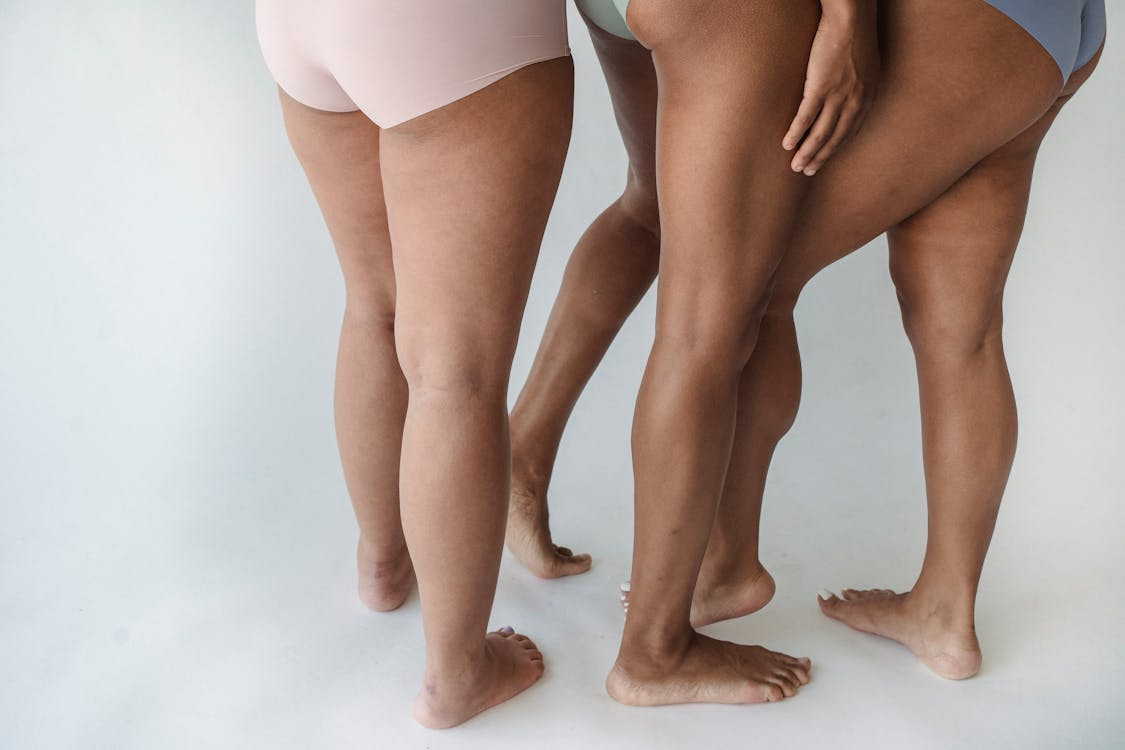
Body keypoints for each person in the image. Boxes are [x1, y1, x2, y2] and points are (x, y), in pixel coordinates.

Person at [507, 0, 1106, 697]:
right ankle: (943, 616)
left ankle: (720, 572)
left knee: (748, 283)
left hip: (974, 17)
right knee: (959, 329)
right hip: (1052, 28)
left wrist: (847, 18)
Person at [256, 0, 573, 729]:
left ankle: (383, 564)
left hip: (296, 20)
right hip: (451, 29)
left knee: (375, 304)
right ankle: (457, 675)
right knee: (454, 370)